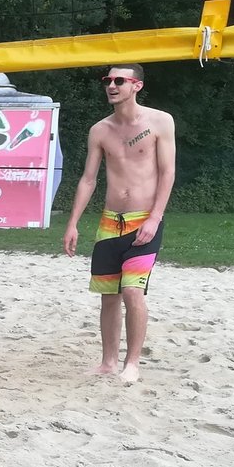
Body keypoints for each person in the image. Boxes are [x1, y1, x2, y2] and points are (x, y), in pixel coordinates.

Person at [63, 64, 176, 384]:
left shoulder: (159, 121)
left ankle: (132, 363)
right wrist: (72, 223)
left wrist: (155, 218)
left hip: (144, 220)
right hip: (110, 222)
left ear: (136, 85)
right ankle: (108, 362)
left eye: (119, 80)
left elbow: (168, 172)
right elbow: (88, 180)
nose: (111, 86)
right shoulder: (100, 130)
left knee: (131, 291)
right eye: (108, 80)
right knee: (108, 295)